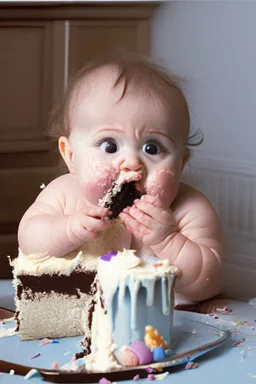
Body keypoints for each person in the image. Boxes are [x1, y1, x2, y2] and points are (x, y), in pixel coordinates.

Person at [17, 52, 224, 307]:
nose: (132, 164)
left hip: (165, 328)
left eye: (152, 148)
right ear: (70, 155)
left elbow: (207, 281)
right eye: (110, 146)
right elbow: (30, 243)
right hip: (78, 323)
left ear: (181, 164)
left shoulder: (189, 209)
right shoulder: (63, 194)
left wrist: (168, 240)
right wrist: (68, 228)